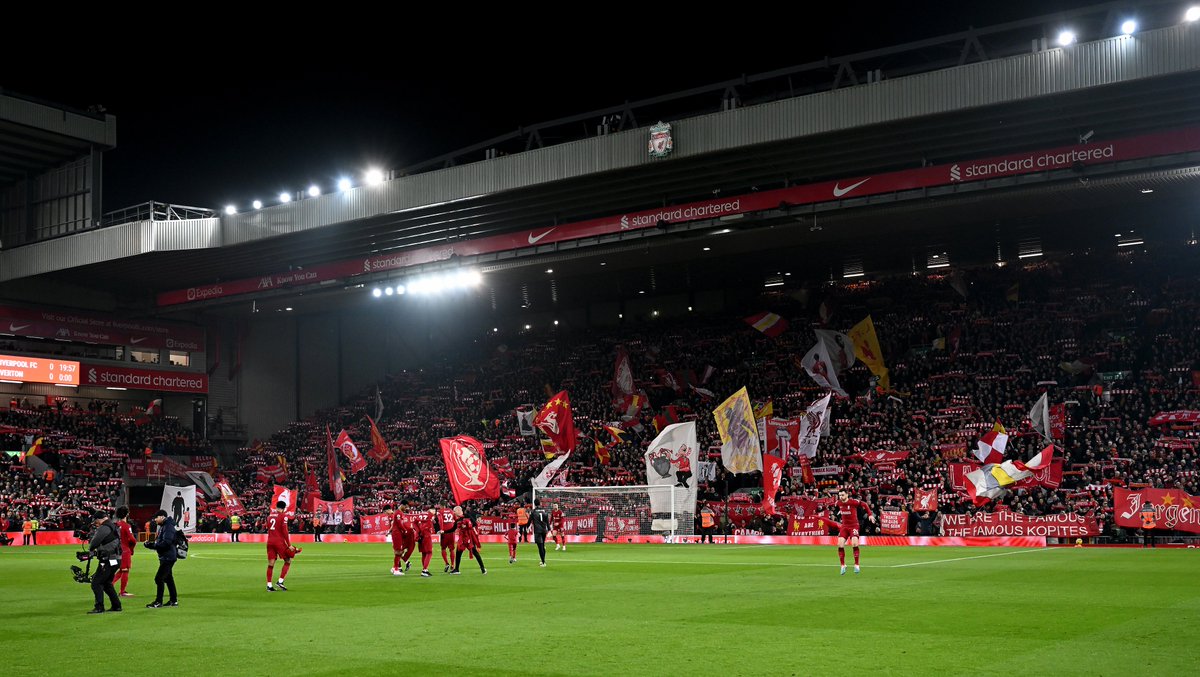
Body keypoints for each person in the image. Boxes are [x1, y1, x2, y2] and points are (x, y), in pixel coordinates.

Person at [830, 489, 876, 575]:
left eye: (842, 495)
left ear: (847, 495)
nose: (841, 497)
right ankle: (843, 565)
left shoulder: (853, 502)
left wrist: (870, 514)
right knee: (840, 545)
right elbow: (834, 506)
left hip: (854, 526)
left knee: (854, 544)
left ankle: (856, 565)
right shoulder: (838, 503)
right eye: (840, 495)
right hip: (844, 526)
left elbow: (864, 504)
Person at [87, 510, 123, 614]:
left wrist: (91, 548)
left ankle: (99, 607)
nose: (96, 523)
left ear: (99, 519)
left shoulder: (104, 528)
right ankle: (116, 605)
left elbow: (94, 542)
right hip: (116, 559)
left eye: (96, 521)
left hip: (108, 559)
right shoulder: (113, 526)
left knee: (96, 583)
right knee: (107, 583)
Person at [143, 510, 178, 608]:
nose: (155, 520)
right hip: (167, 556)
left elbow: (166, 543)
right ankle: (173, 600)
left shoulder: (168, 526)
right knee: (168, 578)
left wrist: (152, 546)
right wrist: (152, 544)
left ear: (162, 517)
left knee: (159, 578)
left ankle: (158, 601)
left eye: (156, 517)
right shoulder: (165, 525)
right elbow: (163, 542)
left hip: (168, 557)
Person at [266, 501, 296, 591]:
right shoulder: (283, 516)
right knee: (288, 560)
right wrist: (289, 545)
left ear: (276, 507)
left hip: (270, 542)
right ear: (284, 508)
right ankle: (280, 581)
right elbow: (285, 531)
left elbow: (268, 528)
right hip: (279, 542)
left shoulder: (269, 516)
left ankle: (269, 585)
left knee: (271, 564)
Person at [450, 506, 486, 575]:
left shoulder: (467, 516)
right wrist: (443, 531)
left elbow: (474, 524)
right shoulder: (458, 520)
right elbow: (453, 529)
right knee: (458, 553)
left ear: (458, 510)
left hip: (468, 538)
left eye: (454, 511)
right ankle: (457, 569)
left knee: (475, 553)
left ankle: (483, 568)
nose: (454, 512)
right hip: (462, 539)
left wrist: (467, 526)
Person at [115, 506, 138, 597]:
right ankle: (122, 592)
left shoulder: (115, 525)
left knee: (121, 570)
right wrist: (131, 548)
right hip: (125, 550)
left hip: (116, 550)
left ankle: (110, 585)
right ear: (127, 514)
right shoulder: (126, 526)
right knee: (125, 570)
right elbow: (132, 540)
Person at [389, 505, 416, 576]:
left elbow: (395, 524)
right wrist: (404, 530)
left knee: (399, 551)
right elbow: (398, 524)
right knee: (398, 551)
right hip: (400, 534)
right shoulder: (398, 514)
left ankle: (396, 567)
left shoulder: (399, 515)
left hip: (402, 535)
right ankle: (397, 568)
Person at [435, 503, 457, 573]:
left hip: (444, 532)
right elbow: (456, 520)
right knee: (452, 549)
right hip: (451, 532)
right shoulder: (451, 511)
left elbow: (440, 520)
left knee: (443, 548)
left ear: (442, 506)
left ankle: (447, 563)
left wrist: (441, 529)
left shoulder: (440, 512)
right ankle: (452, 565)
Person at [414, 508, 435, 577]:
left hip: (420, 535)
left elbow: (414, 523)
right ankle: (424, 570)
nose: (434, 512)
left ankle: (425, 569)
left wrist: (418, 531)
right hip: (426, 535)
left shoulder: (420, 514)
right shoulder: (430, 515)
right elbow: (428, 525)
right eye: (434, 510)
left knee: (424, 553)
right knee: (429, 552)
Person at [530, 499, 551, 567]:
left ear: (534, 504)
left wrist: (527, 527)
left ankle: (543, 562)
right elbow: (547, 521)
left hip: (538, 531)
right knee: (543, 545)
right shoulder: (544, 510)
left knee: (540, 547)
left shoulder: (533, 511)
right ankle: (543, 561)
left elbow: (529, 520)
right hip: (544, 530)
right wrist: (549, 529)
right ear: (540, 503)